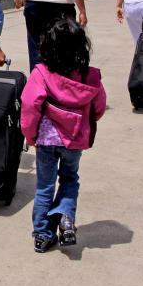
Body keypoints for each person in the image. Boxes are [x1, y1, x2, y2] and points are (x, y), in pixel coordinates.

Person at [20, 18, 106, 253]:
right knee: (69, 179)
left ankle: (42, 235)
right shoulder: (89, 76)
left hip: (47, 140)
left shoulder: (42, 73)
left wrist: (30, 136)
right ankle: (66, 216)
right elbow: (99, 106)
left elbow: (29, 105)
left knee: (45, 187)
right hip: (75, 138)